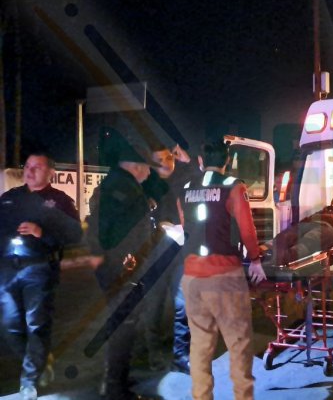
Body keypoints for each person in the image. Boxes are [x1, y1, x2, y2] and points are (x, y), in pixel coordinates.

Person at [178, 140, 266, 400]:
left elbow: (186, 228)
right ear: (227, 161)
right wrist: (256, 260)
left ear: (200, 161)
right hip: (224, 275)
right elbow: (247, 229)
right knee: (238, 343)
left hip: (192, 276)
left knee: (200, 345)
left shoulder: (185, 189)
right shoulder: (233, 187)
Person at [0, 151, 82, 400]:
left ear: (50, 172)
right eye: (28, 166)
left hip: (39, 268)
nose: (30, 170)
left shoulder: (60, 201)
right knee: (10, 324)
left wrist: (41, 233)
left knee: (36, 323)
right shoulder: (10, 198)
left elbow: (74, 235)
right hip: (7, 269)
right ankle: (39, 358)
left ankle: (29, 380)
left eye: (37, 167)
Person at [94, 140, 162, 400]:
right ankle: (115, 387)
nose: (149, 173)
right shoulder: (127, 189)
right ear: (136, 166)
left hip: (114, 268)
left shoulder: (112, 185)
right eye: (147, 168)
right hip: (124, 271)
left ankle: (118, 378)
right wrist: (129, 263)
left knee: (120, 324)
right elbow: (127, 233)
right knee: (124, 326)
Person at [139, 143, 199, 374]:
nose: (166, 162)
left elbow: (206, 183)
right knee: (153, 306)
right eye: (160, 159)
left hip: (181, 253)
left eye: (168, 157)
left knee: (183, 306)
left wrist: (188, 161)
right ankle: (154, 355)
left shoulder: (185, 179)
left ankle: (180, 356)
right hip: (154, 255)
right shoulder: (147, 185)